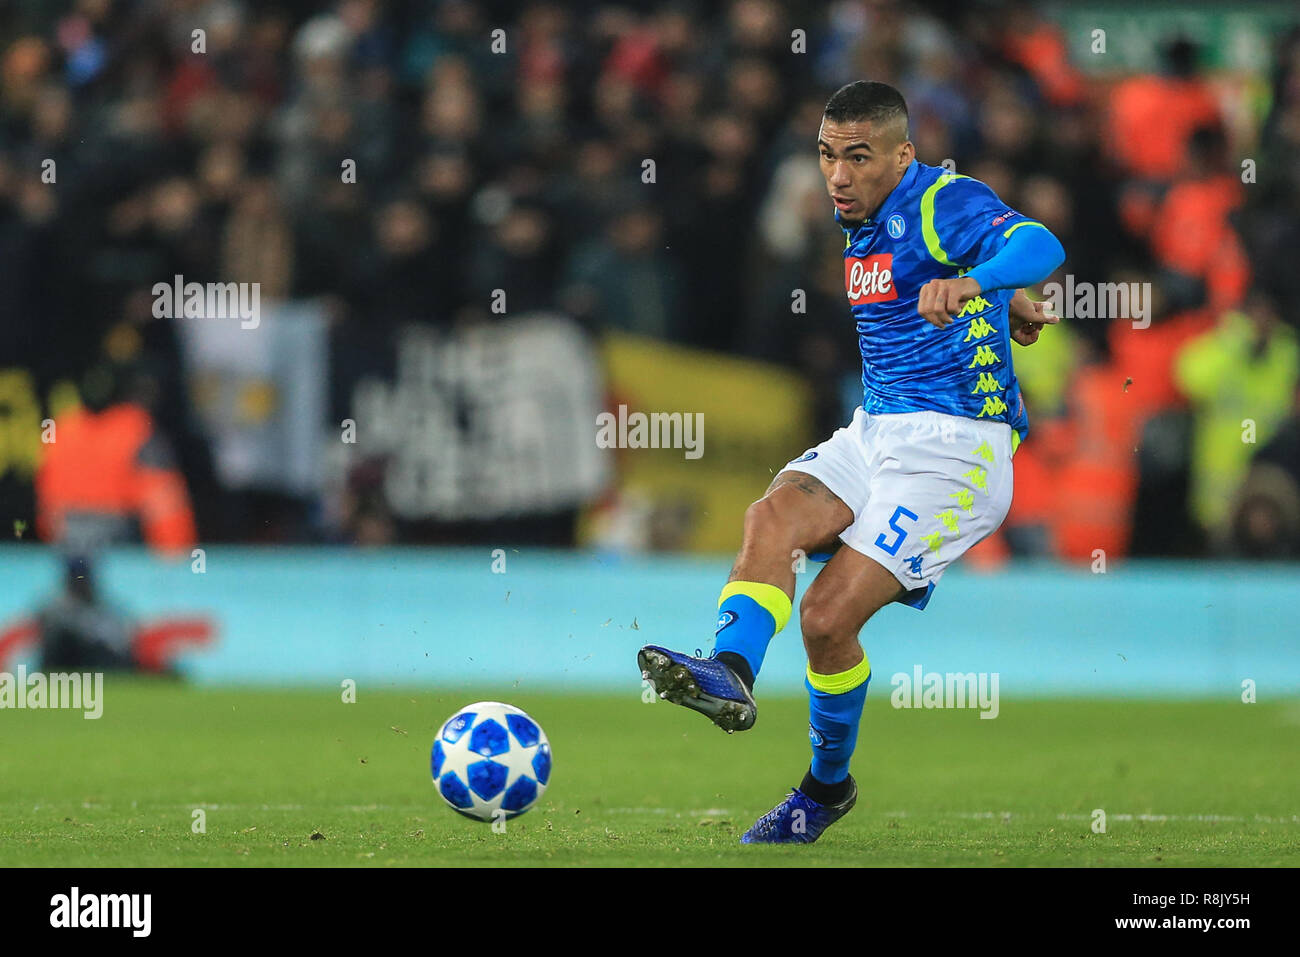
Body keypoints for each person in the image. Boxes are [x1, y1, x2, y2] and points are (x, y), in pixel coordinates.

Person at [637, 81, 1065, 844]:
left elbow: (1042, 246)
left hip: (956, 453)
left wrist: (986, 283)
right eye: (828, 156)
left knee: (826, 619)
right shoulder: (860, 222)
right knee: (770, 517)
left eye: (858, 157)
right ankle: (729, 671)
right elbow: (928, 282)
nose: (837, 175)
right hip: (877, 430)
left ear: (903, 155)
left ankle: (823, 789)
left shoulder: (941, 196)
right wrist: (1000, 303)